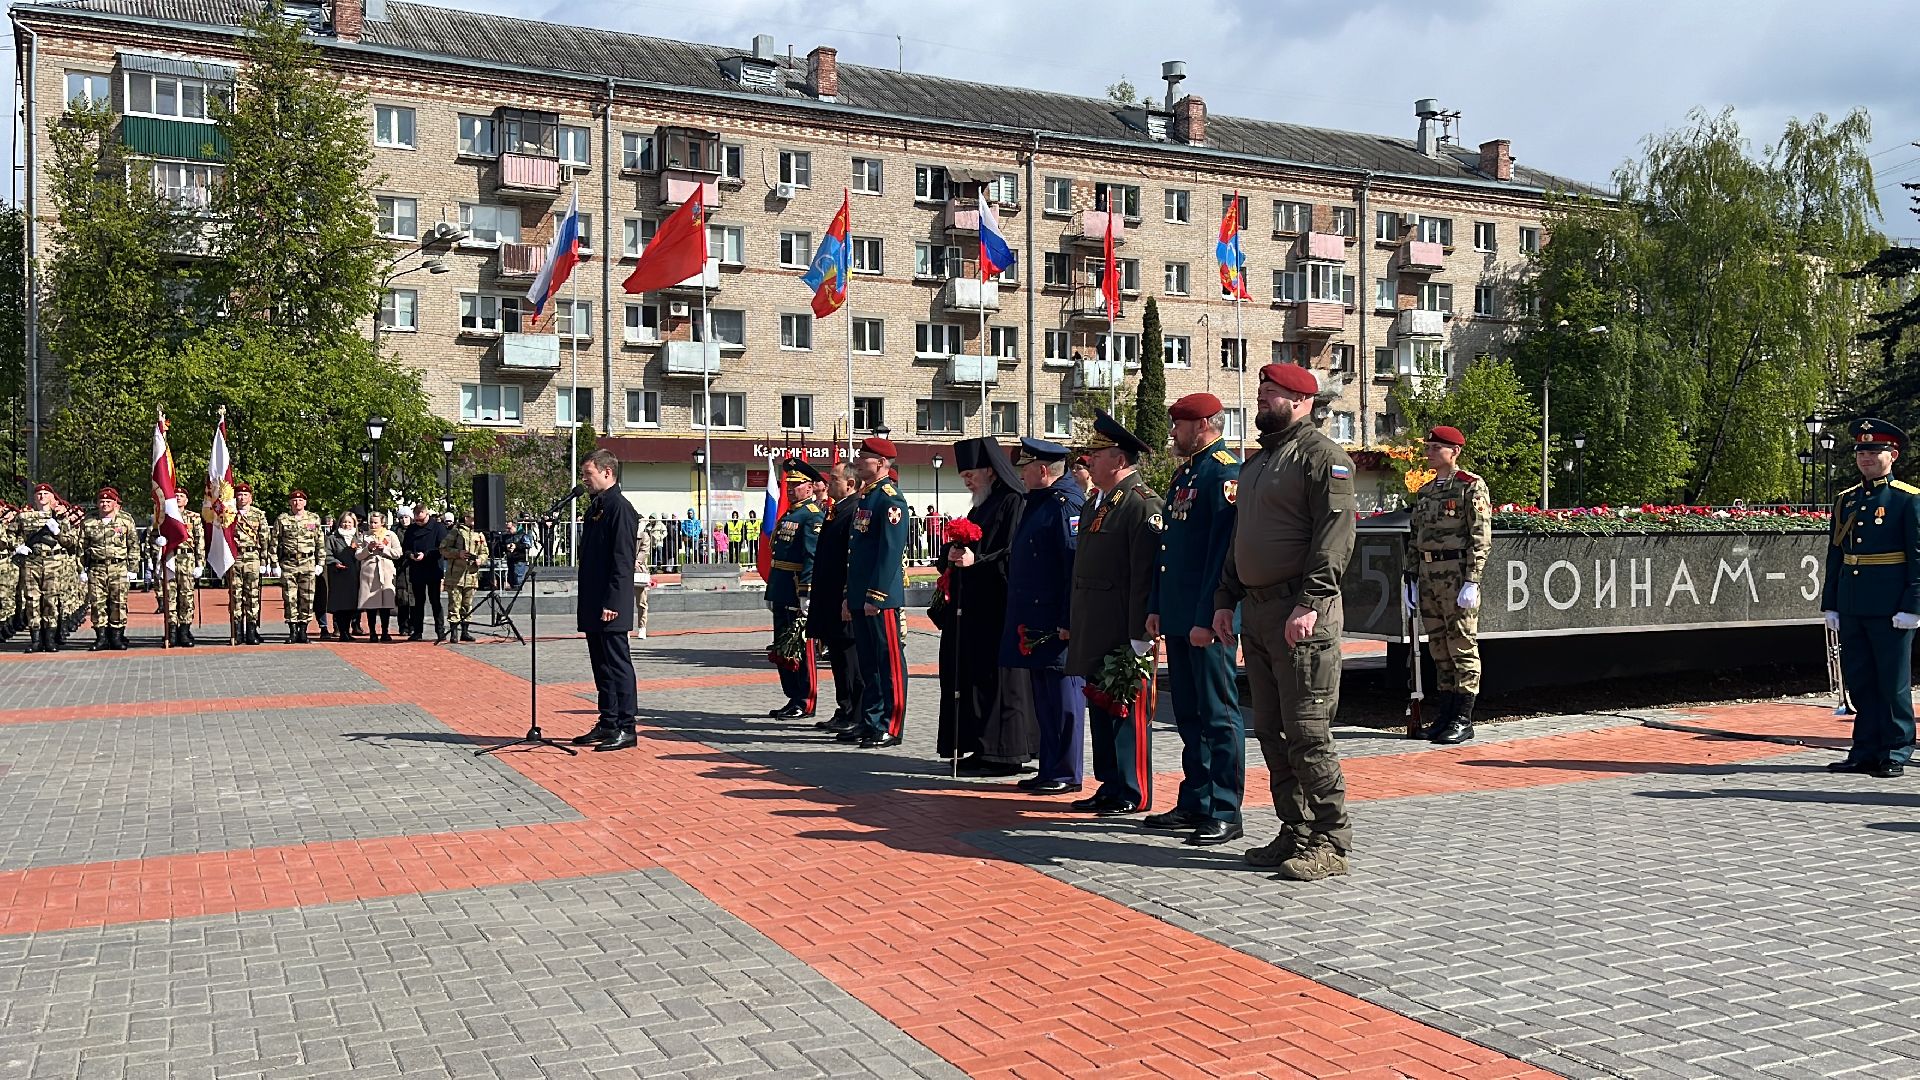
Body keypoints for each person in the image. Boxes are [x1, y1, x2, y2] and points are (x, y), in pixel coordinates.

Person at [1211, 364, 1358, 882]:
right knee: (1271, 731)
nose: (1260, 401)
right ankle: (1294, 830)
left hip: (1302, 614)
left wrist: (1311, 601)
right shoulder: (1257, 463)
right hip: (1259, 611)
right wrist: (1226, 598)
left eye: (1270, 394)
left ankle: (1331, 840)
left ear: (1301, 401)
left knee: (1308, 732)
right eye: (1260, 393)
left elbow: (1334, 538)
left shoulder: (1322, 457)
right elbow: (1241, 540)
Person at [1144, 394, 1244, 845]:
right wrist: (1157, 606)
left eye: (1180, 424)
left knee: (1218, 715)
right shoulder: (1186, 473)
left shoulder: (1223, 473)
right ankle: (1195, 800)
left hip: (1209, 620)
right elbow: (1169, 551)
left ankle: (1225, 808)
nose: (1174, 432)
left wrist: (1206, 617)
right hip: (1180, 616)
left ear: (1203, 424)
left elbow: (1220, 557)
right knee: (1188, 712)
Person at [1065, 411, 1164, 817]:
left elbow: (1145, 573)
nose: (1088, 460)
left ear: (1119, 460)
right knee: (1102, 708)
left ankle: (1133, 787)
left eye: (1097, 453)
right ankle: (1110, 783)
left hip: (1126, 627)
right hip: (1096, 623)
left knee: (1127, 710)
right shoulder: (1097, 503)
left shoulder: (1142, 505)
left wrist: (1142, 631)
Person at [1822, 418, 1920, 779]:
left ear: (1892, 455)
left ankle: (1896, 749)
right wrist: (1831, 602)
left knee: (1892, 682)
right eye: (1862, 451)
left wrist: (1913, 606)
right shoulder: (1847, 500)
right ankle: (1864, 749)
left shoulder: (1907, 499)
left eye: (1874, 451)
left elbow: (1918, 556)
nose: (1866, 457)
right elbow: (1836, 554)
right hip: (1853, 602)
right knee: (1861, 680)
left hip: (1891, 605)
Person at [937, 437, 1030, 774]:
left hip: (998, 607)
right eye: (962, 476)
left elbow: (1011, 553)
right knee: (972, 676)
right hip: (973, 607)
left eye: (970, 474)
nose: (966, 481)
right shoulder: (980, 505)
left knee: (996, 680)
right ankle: (977, 745)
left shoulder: (1013, 502)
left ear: (990, 471)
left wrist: (977, 561)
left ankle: (1002, 753)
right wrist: (949, 555)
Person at [1002, 438, 1083, 793]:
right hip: (1035, 619)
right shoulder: (1040, 502)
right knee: (1044, 699)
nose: (1021, 473)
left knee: (1063, 699)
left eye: (1026, 467)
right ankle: (1050, 768)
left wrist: (1068, 618)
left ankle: (1066, 771)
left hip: (1055, 621)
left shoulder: (1065, 505)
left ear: (1043, 471)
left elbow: (1072, 567)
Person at [1405, 426, 1493, 743]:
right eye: (1428, 447)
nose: (1428, 452)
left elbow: (1480, 537)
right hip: (1429, 576)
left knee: (1463, 648)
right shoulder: (1426, 491)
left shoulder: (1471, 487)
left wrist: (1473, 580)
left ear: (1454, 451)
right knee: (1439, 649)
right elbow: (1415, 539)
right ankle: (1445, 715)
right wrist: (1411, 577)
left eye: (1435, 447)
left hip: (1456, 574)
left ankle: (1463, 719)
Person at [840, 436, 911, 749]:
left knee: (888, 662)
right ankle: (870, 721)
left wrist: (876, 595)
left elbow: (890, 551)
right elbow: (857, 551)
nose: (858, 460)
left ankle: (890, 726)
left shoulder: (890, 499)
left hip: (879, 598)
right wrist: (850, 594)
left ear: (881, 464)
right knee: (868, 663)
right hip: (860, 595)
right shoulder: (867, 498)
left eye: (864, 457)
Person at [569, 449, 642, 752]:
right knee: (600, 664)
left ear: (607, 473)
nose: (584, 479)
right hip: (594, 600)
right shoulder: (597, 506)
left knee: (617, 664)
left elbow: (622, 560)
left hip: (611, 603)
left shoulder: (620, 508)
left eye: (588, 473)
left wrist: (612, 601)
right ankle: (608, 721)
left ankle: (627, 726)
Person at [765, 460, 825, 719]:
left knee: (800, 648)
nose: (790, 489)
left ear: (809, 487)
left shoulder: (811, 515)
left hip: (795, 588)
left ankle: (805, 699)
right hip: (781, 588)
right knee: (783, 647)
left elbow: (811, 557)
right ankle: (792, 696)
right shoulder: (791, 514)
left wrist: (806, 593)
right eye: (787, 485)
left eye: (796, 485)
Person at [809, 461, 865, 735]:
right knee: (838, 659)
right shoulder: (836, 509)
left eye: (834, 480)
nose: (827, 484)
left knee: (850, 659)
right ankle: (844, 708)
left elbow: (853, 559)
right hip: (829, 597)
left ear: (850, 484)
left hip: (844, 599)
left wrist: (846, 596)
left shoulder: (854, 510)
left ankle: (856, 711)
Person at [80, 487, 138, 651]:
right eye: (101, 501)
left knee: (118, 603)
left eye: (108, 501)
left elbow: (133, 545)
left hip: (118, 567)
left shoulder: (125, 520)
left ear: (115, 503)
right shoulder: (89, 521)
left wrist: (133, 569)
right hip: (96, 568)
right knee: (97, 603)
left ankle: (117, 637)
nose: (104, 504)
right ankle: (101, 638)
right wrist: (81, 570)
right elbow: (81, 547)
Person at [16, 483, 71, 652]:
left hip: (52, 563)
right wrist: (19, 546)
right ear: (34, 498)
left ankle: (50, 639)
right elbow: (12, 535)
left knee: (51, 601)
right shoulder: (24, 517)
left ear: (52, 497)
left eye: (46, 494)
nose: (42, 496)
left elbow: (70, 542)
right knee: (32, 601)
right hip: (31, 563)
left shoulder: (60, 518)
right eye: (39, 494)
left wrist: (57, 532)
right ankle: (35, 640)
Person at [273, 490, 324, 644]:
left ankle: (303, 630)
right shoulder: (283, 520)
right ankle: (292, 630)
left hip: (307, 563)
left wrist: (320, 563)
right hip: (289, 563)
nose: (297, 503)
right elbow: (274, 542)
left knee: (307, 598)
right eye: (294, 500)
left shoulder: (313, 519)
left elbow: (319, 542)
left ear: (305, 503)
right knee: (290, 598)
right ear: (290, 503)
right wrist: (274, 563)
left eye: (300, 500)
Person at [227, 481, 269, 645]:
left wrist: (265, 561)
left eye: (245, 495)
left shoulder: (258, 514)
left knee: (252, 596)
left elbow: (264, 538)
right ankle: (237, 632)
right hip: (235, 558)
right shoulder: (229, 514)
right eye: (239, 494)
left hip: (253, 557)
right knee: (235, 595)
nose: (242, 497)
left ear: (250, 497)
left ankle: (251, 631)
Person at [440, 507, 489, 643]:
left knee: (467, 605)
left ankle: (465, 632)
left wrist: (481, 559)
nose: (473, 522)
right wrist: (458, 553)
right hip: (455, 576)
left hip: (471, 575)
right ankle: (454, 633)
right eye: (471, 518)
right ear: (466, 518)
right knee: (454, 605)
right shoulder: (456, 531)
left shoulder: (479, 534)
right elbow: (443, 548)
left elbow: (485, 552)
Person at [400, 504, 448, 641]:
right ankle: (417, 631)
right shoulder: (411, 529)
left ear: (427, 515)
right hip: (417, 569)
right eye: (417, 520)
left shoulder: (438, 528)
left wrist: (425, 555)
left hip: (433, 568)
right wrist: (410, 555)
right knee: (418, 602)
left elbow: (441, 548)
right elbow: (406, 548)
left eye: (421, 520)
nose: (419, 522)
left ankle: (440, 631)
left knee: (435, 601)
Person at [164, 493, 204, 647]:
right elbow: (155, 537)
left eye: (181, 496)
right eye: (176, 496)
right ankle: (172, 632)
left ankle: (184, 631)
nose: (178, 498)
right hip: (170, 559)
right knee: (170, 596)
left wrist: (200, 563)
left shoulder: (194, 517)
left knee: (186, 597)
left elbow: (200, 540)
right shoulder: (165, 516)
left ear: (186, 500)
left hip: (187, 559)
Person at [356, 510, 402, 641]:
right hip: (369, 573)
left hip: (386, 572)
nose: (372, 525)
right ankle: (372, 632)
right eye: (371, 522)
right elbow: (358, 555)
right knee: (371, 604)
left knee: (385, 604)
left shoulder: (390, 535)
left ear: (382, 523)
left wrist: (385, 549)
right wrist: (368, 549)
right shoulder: (364, 536)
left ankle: (385, 632)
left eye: (375, 522)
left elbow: (399, 552)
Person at [325, 511, 362, 640]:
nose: (347, 524)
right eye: (344, 522)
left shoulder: (359, 538)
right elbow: (327, 554)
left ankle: (349, 630)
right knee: (341, 605)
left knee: (352, 605)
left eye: (349, 522)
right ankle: (342, 632)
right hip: (339, 575)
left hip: (355, 575)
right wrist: (335, 563)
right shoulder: (332, 538)